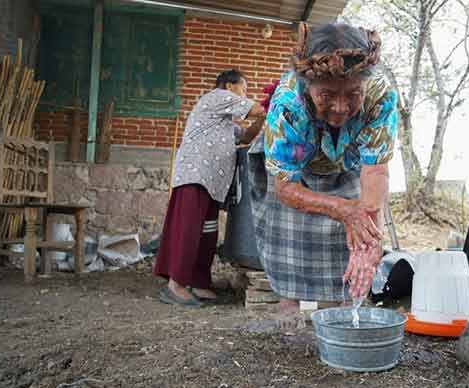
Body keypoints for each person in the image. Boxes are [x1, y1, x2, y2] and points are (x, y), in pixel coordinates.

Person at [248, 22, 398, 315]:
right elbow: (286, 188)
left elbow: (376, 171)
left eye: (354, 94)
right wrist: (344, 210)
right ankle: (288, 310)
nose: (341, 107)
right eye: (327, 96)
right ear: (309, 85)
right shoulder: (288, 104)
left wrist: (369, 235)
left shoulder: (381, 95)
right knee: (289, 241)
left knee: (353, 238)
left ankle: (344, 310)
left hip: (347, 163)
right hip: (294, 173)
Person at [155, 69, 266, 306]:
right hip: (196, 177)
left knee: (206, 234)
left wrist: (261, 119)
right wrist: (275, 102)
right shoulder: (216, 97)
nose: (244, 95)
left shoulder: (224, 122)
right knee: (189, 230)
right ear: (228, 86)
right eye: (243, 89)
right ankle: (176, 284)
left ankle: (199, 282)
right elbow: (256, 108)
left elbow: (245, 137)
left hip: (212, 184)